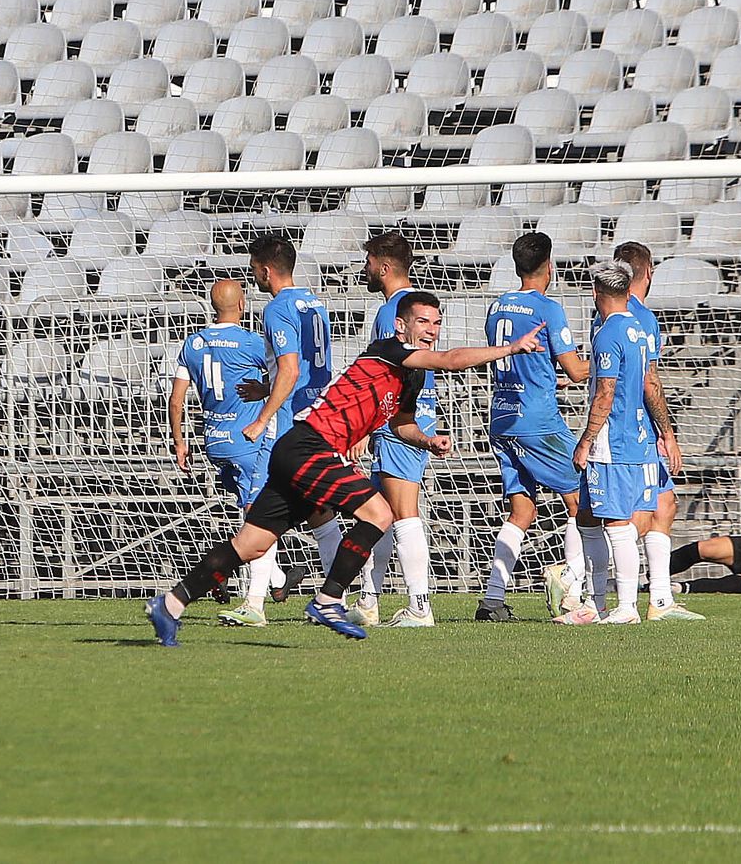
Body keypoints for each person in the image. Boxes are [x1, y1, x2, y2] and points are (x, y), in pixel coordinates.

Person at [144, 290, 545, 646]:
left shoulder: (413, 375)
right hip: (308, 447)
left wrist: (427, 440)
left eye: (437, 323)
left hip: (300, 451)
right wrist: (510, 349)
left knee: (252, 546)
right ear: (400, 324)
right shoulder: (387, 348)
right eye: (423, 321)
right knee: (380, 513)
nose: (432, 329)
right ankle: (329, 599)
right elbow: (451, 360)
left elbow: (400, 424)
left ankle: (171, 604)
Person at [479, 232, 589, 623]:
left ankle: (492, 600)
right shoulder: (548, 309)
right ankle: (571, 590)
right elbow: (576, 371)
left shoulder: (495, 306)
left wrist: (548, 376)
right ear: (550, 266)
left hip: (502, 417)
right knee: (582, 498)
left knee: (521, 508)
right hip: (537, 421)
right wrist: (611, 364)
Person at [168, 278, 291, 627]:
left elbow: (176, 400)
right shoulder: (253, 343)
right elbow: (287, 377)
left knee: (254, 516)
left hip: (214, 442)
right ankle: (253, 603)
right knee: (260, 522)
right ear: (241, 306)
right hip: (250, 443)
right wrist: (265, 388)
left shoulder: (192, 344)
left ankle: (280, 582)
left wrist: (180, 441)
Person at [234, 235, 340, 595]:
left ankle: (254, 603)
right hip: (318, 417)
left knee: (256, 508)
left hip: (287, 425)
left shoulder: (277, 308)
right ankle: (334, 596)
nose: (255, 279)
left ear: (265, 270)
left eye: (254, 272)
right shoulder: (316, 305)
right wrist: (268, 389)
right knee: (318, 511)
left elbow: (291, 371)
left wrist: (263, 416)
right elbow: (311, 372)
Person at [348, 232, 439, 628]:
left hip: (397, 418)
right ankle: (369, 598)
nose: (365, 269)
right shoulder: (414, 306)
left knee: (403, 512)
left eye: (368, 262)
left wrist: (366, 423)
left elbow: (382, 374)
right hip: (408, 413)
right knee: (379, 512)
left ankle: (420, 606)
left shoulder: (395, 312)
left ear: (383, 267)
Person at [558, 259, 655, 626]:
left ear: (596, 292)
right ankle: (595, 605)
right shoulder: (638, 328)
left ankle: (626, 606)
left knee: (616, 524)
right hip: (636, 437)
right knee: (586, 514)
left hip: (612, 443)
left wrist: (585, 440)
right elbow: (650, 383)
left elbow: (605, 392)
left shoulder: (608, 333)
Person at [611, 242, 702, 622]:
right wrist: (668, 433)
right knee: (639, 514)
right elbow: (650, 381)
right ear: (648, 273)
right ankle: (582, 582)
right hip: (637, 430)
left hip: (619, 426)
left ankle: (659, 599)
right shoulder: (642, 318)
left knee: (663, 505)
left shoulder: (608, 313)